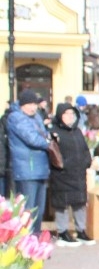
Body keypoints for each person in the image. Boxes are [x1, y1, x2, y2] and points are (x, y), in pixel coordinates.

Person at [5, 89, 51, 234]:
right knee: (28, 210)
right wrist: (48, 142)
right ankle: (25, 240)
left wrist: (47, 139)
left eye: (35, 104)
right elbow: (33, 139)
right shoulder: (16, 118)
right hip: (26, 170)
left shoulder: (36, 117)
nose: (33, 107)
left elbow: (45, 134)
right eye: (30, 104)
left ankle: (35, 240)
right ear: (22, 105)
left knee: (39, 209)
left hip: (41, 168)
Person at [49, 103, 95, 246]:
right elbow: (53, 153)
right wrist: (62, 166)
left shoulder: (78, 132)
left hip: (78, 173)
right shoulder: (55, 132)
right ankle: (62, 232)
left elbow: (85, 149)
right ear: (60, 116)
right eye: (66, 114)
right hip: (62, 174)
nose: (69, 117)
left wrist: (87, 162)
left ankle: (81, 230)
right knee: (62, 204)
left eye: (72, 114)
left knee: (79, 203)